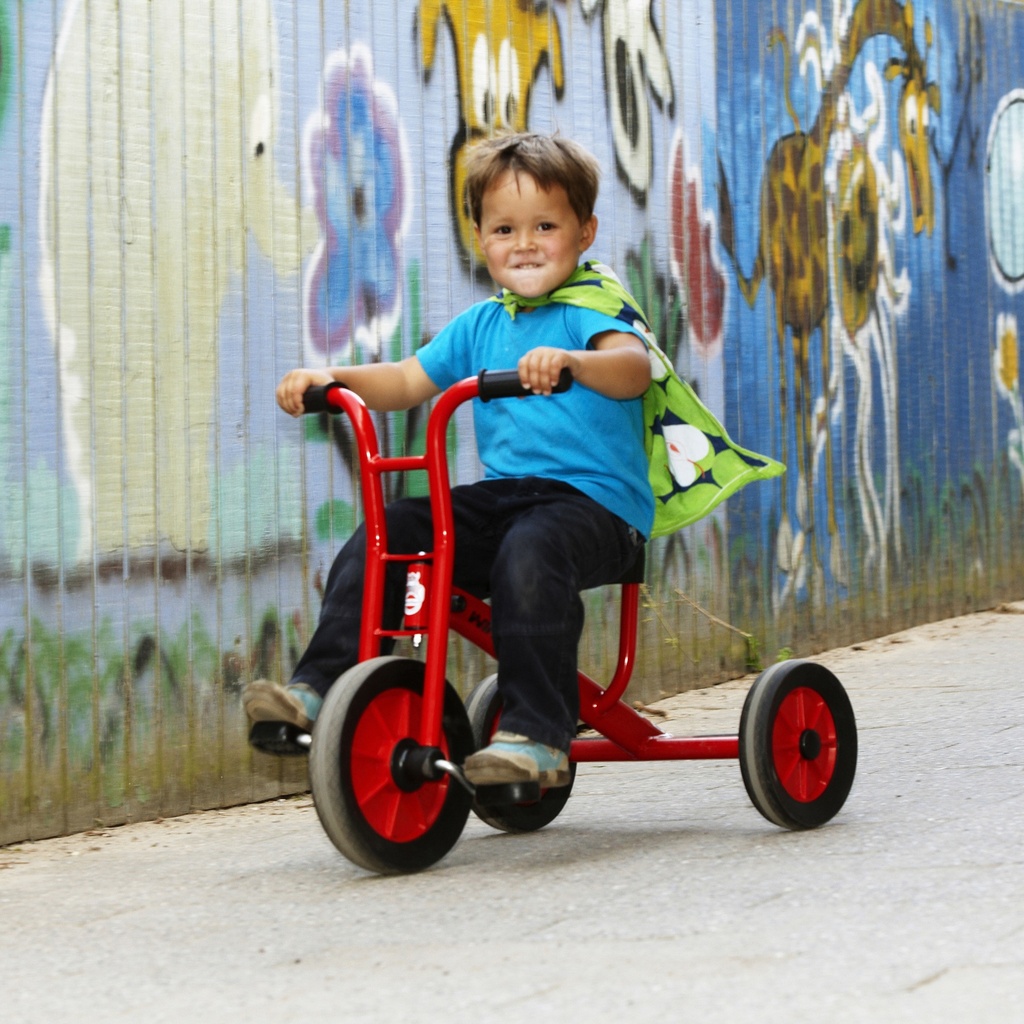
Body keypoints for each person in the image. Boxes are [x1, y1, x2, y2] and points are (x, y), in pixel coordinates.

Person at [244, 132, 654, 788]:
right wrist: (331, 377)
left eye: (545, 225)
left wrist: (574, 362)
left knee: (533, 545)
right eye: (504, 228)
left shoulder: (594, 310)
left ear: (585, 232)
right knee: (396, 529)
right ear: (480, 238)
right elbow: (408, 380)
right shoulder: (481, 325)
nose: (523, 243)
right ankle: (319, 688)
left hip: (596, 509)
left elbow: (633, 371)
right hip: (510, 499)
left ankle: (540, 738)